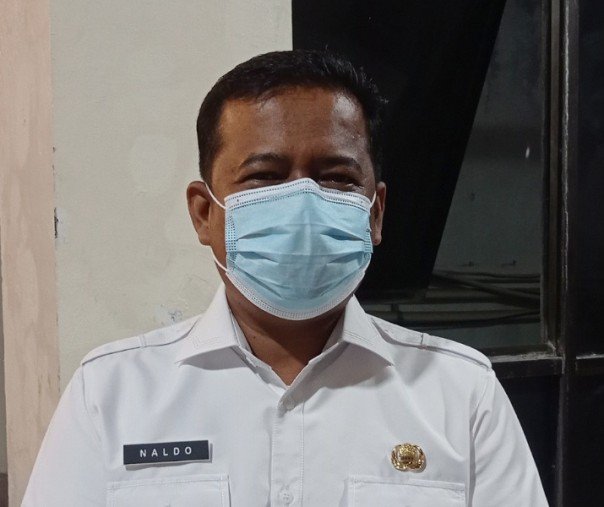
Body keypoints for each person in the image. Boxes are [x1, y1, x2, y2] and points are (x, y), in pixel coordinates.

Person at [23, 50, 548, 506]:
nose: (303, 202)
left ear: (375, 213)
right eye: (265, 177)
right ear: (204, 213)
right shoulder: (111, 395)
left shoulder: (461, 395)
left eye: (336, 177)